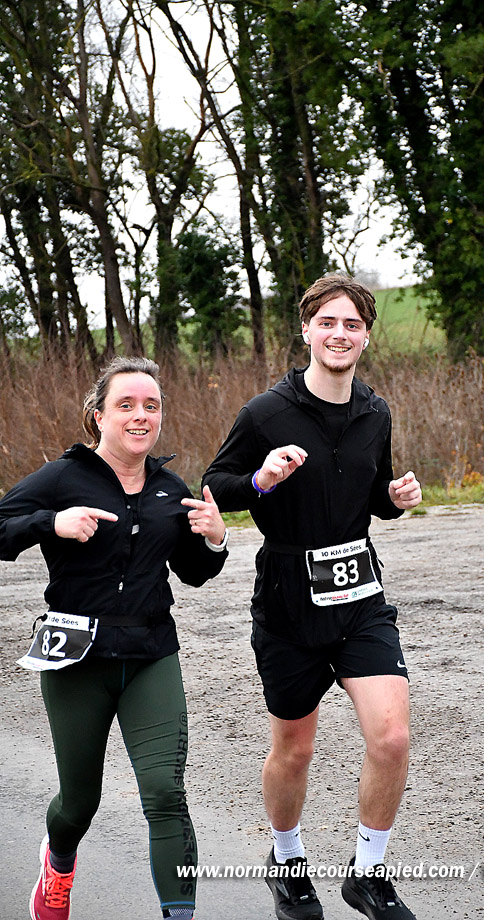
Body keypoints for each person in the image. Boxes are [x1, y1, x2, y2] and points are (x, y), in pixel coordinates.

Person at [203, 274, 422, 920]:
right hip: (288, 602)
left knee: (391, 737)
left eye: (352, 324)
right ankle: (287, 860)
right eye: (327, 322)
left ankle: (369, 873)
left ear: (366, 336)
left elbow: (373, 494)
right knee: (294, 750)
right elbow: (217, 484)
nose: (339, 334)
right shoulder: (265, 414)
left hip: (359, 597)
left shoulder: (375, 412)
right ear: (306, 330)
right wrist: (262, 478)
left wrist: (395, 499)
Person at [0, 356, 229, 920]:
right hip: (76, 658)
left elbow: (194, 571)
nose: (140, 415)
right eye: (126, 405)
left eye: (151, 406)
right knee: (79, 803)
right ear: (99, 415)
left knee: (165, 792)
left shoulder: (170, 488)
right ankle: (57, 864)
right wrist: (50, 523)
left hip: (151, 655)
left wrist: (215, 540)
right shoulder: (61, 479)